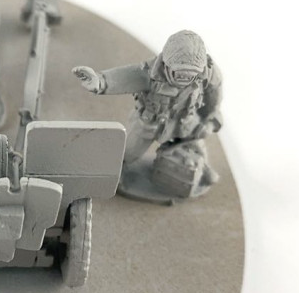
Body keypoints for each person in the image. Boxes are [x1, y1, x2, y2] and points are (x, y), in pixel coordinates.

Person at [73, 30, 223, 196]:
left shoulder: (208, 74)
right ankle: (117, 173)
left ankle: (203, 168)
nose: (185, 78)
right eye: (180, 73)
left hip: (185, 121)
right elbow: (124, 77)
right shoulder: (150, 73)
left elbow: (214, 97)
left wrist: (210, 120)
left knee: (197, 144)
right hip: (151, 122)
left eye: (190, 75)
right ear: (167, 65)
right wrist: (100, 82)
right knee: (129, 152)